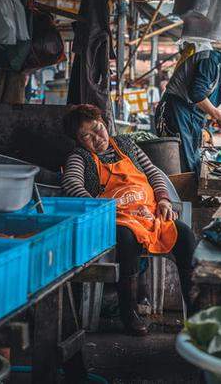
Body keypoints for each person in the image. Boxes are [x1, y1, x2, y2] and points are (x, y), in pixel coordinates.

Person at [62, 105, 197, 336]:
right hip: (116, 218)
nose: (96, 138)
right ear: (78, 141)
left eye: (98, 129)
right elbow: (71, 185)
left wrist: (164, 200)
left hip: (148, 213)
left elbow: (153, 173)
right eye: (87, 136)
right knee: (127, 237)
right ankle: (129, 311)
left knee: (185, 236)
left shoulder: (126, 144)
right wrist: (99, 210)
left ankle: (196, 315)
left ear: (104, 123)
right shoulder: (79, 157)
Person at [155, 42, 221, 174]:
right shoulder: (210, 62)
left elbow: (207, 98)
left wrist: (216, 116)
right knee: (183, 157)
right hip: (176, 108)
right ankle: (182, 192)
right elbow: (197, 94)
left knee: (194, 156)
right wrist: (218, 115)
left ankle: (191, 191)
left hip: (191, 113)